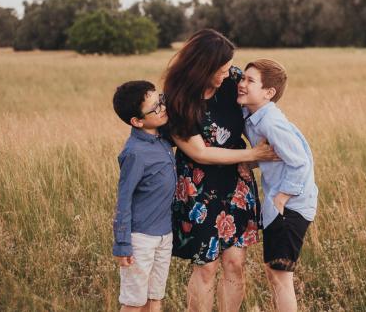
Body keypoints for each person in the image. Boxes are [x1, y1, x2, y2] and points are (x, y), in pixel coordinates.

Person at [163, 29, 277, 312]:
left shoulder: (232, 80)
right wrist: (253, 154)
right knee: (206, 267)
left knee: (235, 263)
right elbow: (199, 152)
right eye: (221, 69)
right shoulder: (178, 99)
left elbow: (264, 103)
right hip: (198, 189)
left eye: (229, 67)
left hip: (236, 183)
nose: (228, 74)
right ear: (203, 67)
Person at [237, 59, 318, 312]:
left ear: (268, 92)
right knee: (274, 272)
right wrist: (252, 163)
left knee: (281, 277)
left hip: (290, 207)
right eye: (242, 78)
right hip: (282, 206)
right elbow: (277, 156)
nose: (241, 84)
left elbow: (300, 162)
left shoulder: (271, 122)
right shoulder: (255, 116)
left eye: (250, 81)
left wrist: (281, 198)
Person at [111, 80, 176, 312]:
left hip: (164, 234)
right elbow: (124, 199)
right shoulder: (134, 153)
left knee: (155, 298)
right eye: (155, 108)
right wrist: (122, 244)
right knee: (134, 302)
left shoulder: (163, 138)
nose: (162, 108)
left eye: (160, 101)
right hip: (140, 239)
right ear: (137, 121)